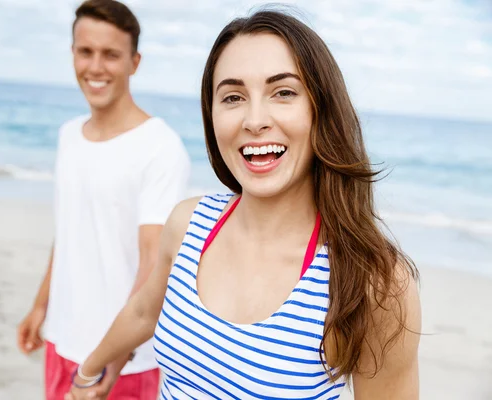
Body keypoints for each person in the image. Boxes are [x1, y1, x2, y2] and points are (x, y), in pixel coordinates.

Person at [66, 7, 421, 400]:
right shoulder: (188, 223)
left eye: (283, 92)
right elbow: (142, 312)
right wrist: (88, 373)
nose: (254, 120)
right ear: (212, 115)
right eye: (233, 97)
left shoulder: (373, 281)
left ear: (321, 109)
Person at [16, 1, 191, 399]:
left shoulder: (159, 148)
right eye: (85, 51)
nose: (96, 67)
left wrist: (114, 359)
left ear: (134, 62)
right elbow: (69, 232)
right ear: (73, 54)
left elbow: (153, 263)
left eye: (111, 54)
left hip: (123, 360)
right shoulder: (69, 135)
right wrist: (41, 306)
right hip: (62, 342)